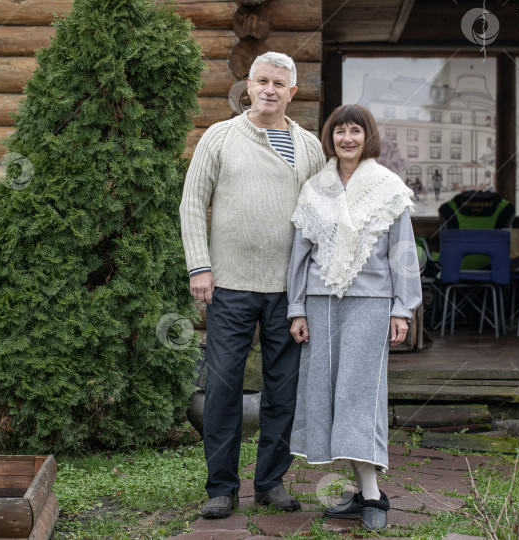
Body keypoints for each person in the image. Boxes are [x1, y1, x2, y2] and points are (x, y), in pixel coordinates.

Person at [180, 51, 326, 519]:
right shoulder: (220, 137)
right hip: (230, 286)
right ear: (248, 84)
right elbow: (191, 203)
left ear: (292, 92)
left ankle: (270, 482)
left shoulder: (308, 146)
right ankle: (221, 488)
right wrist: (199, 266)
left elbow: (321, 219)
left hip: (290, 293)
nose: (269, 89)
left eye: (278, 83)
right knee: (222, 388)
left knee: (283, 390)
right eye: (261, 80)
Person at [286, 104, 422, 531]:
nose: (347, 138)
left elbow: (403, 252)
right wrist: (296, 308)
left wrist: (403, 309)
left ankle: (373, 498)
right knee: (327, 394)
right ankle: (368, 493)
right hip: (321, 302)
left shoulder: (387, 187)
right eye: (340, 131)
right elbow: (300, 253)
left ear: (368, 137)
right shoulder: (314, 189)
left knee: (357, 395)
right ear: (331, 137)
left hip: (370, 302)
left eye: (355, 131)